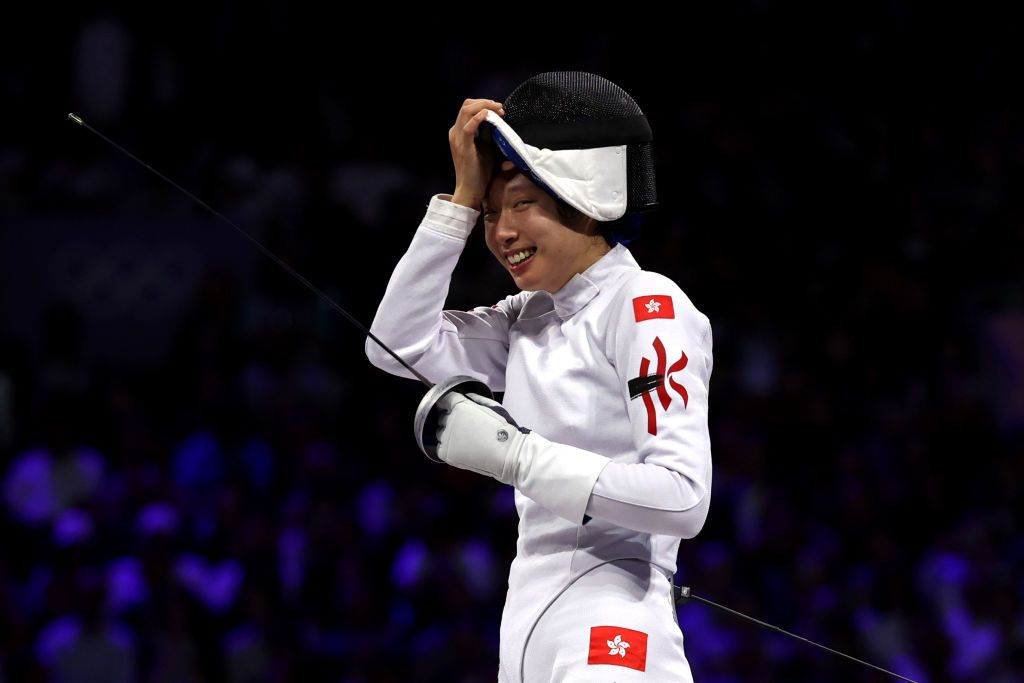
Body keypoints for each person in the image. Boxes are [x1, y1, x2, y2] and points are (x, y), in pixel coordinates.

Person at [365, 72, 713, 682]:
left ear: (588, 198)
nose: (501, 234)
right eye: (492, 213)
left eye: (522, 205)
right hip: (528, 622)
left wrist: (518, 458)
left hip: (615, 624)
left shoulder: (643, 304)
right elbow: (395, 344)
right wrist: (459, 201)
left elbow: (683, 496)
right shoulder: (526, 320)